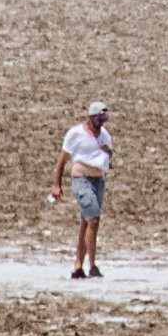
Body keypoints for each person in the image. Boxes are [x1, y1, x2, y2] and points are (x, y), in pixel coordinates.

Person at [57, 100, 114, 278]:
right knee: (93, 220)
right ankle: (93, 265)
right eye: (99, 118)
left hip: (98, 180)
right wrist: (56, 184)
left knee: (86, 222)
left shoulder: (103, 134)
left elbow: (108, 155)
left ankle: (77, 266)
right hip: (81, 179)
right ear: (91, 117)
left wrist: (108, 152)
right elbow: (62, 159)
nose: (101, 123)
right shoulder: (75, 133)